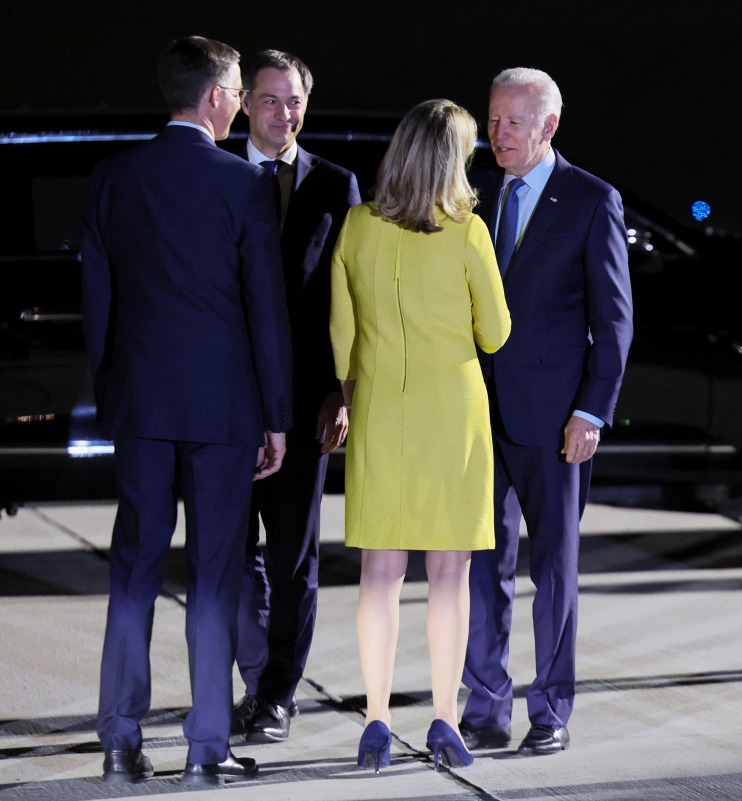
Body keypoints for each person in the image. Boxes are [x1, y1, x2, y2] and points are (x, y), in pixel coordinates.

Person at [82, 35, 291, 786]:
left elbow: (97, 304)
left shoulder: (113, 178)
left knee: (133, 569)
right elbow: (264, 311)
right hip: (223, 411)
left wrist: (114, 400)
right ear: (213, 97)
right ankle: (207, 747)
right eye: (238, 89)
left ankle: (118, 737)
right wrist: (276, 415)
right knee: (214, 573)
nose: (240, 102)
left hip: (141, 406)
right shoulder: (242, 185)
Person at [330, 99, 511, 772]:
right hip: (452, 414)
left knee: (379, 572)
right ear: (451, 160)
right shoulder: (468, 232)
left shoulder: (356, 226)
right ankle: (443, 716)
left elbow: (341, 338)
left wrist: (346, 397)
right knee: (450, 573)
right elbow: (496, 331)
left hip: (382, 409)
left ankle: (375, 719)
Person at [460, 67, 634, 757]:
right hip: (477, 414)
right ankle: (486, 703)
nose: (497, 133)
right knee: (481, 563)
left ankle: (552, 707)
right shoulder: (473, 194)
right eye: (492, 119)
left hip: (557, 420)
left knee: (554, 568)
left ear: (548, 126)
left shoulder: (591, 200)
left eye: (511, 122)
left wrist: (591, 410)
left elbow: (615, 322)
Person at [231, 49, 361, 745]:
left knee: (292, 558)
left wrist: (343, 393)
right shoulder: (216, 176)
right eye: (272, 99)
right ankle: (241, 675)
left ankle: (278, 692)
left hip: (306, 405)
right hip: (222, 405)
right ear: (245, 102)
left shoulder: (335, 185)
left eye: (296, 101)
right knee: (223, 554)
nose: (285, 113)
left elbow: (349, 301)